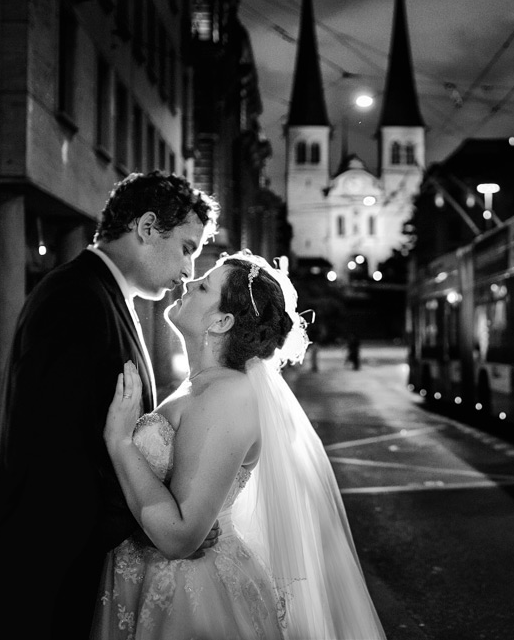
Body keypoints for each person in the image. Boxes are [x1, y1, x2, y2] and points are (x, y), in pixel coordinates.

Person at [0, 172, 219, 640]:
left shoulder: (100, 293)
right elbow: (55, 451)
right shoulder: (75, 299)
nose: (187, 270)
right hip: (51, 568)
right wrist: (146, 528)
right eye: (186, 248)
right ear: (146, 227)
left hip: (64, 564)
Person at [94, 252, 386, 640]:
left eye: (202, 286)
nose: (187, 283)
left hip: (188, 599)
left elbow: (181, 537)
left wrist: (119, 443)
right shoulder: (202, 385)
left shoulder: (229, 396)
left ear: (221, 321)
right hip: (157, 580)